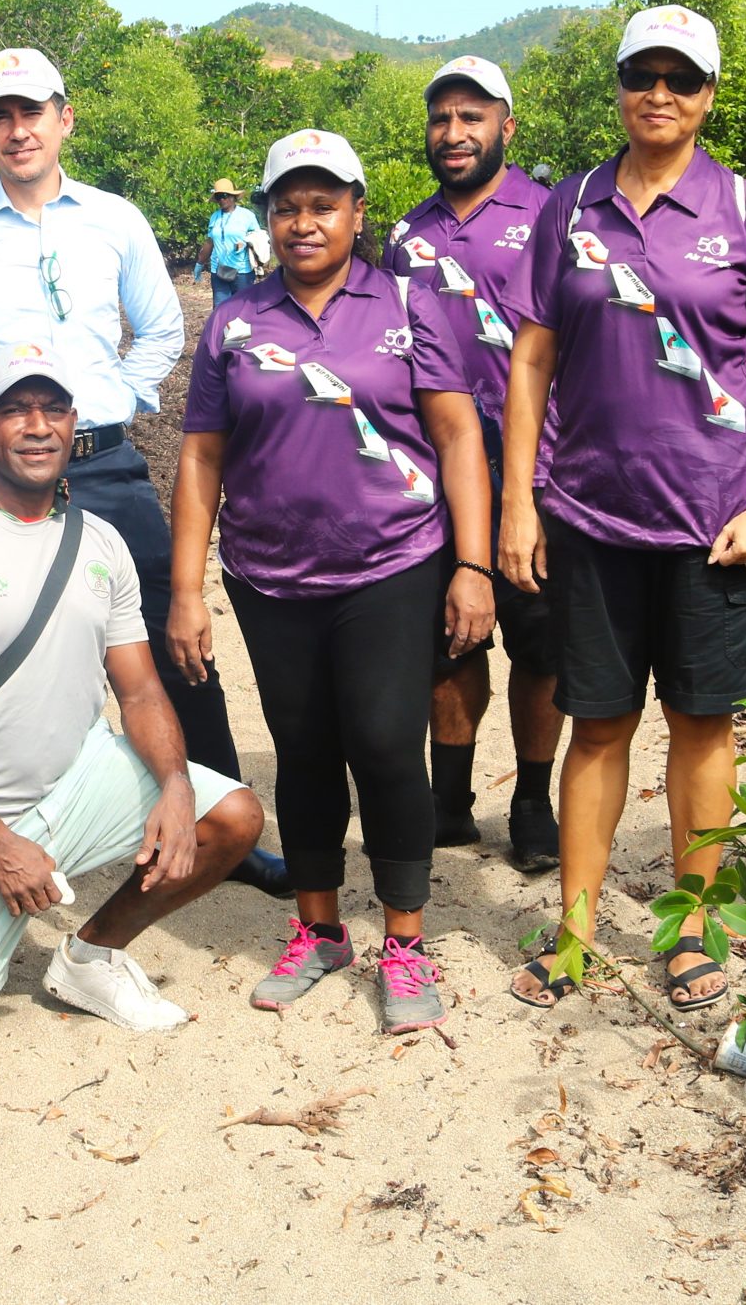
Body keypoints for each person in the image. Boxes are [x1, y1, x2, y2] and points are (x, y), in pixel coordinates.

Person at [0, 47, 271, 889]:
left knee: (171, 639)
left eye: (33, 111)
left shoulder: (114, 220)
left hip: (106, 465)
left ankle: (211, 814)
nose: (19, 130)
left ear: (65, 118)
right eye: (0, 116)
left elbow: (160, 329)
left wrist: (115, 397)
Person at [497, 6, 746, 1013]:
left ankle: (691, 925)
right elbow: (533, 357)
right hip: (592, 517)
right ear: (621, 85)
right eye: (643, 73)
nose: (660, 92)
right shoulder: (572, 205)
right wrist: (520, 501)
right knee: (595, 725)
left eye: (682, 77)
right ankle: (577, 928)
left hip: (714, 526)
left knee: (700, 723)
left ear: (709, 95)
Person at [170, 129, 497, 1034]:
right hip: (270, 576)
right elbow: (202, 455)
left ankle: (403, 940)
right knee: (304, 746)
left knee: (389, 745)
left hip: (391, 563)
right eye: (287, 207)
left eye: (323, 205)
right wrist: (189, 586)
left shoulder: (405, 302)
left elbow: (459, 437)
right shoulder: (238, 323)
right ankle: (319, 929)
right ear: (266, 217)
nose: (303, 222)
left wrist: (472, 563)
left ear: (358, 211)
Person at [0, 345, 267, 1048]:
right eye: (14, 410)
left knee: (230, 817)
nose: (36, 426)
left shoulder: (100, 541)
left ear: (75, 423)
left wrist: (175, 785)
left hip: (77, 783)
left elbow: (141, 690)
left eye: (53, 408)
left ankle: (90, 957)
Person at [381, 56, 566, 871]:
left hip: (538, 466)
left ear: (506, 126)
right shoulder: (405, 235)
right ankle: (448, 803)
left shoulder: (556, 215)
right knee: (450, 643)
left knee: (541, 648)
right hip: (436, 471)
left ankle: (532, 800)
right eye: (441, 119)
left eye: (472, 117)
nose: (454, 133)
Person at [196, 178, 260, 306]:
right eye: (219, 197)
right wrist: (199, 264)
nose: (221, 200)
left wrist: (244, 243)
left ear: (233, 197)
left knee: (242, 312)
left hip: (242, 272)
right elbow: (210, 242)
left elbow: (258, 239)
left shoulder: (247, 216)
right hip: (218, 271)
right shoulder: (215, 217)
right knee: (220, 311)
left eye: (224, 196)